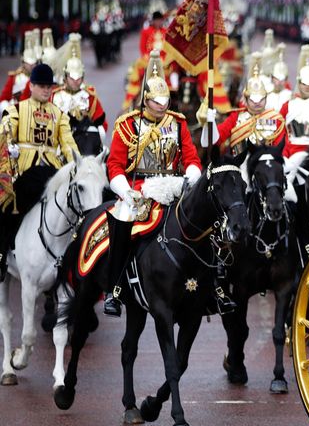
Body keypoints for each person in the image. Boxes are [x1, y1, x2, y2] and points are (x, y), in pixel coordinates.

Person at [103, 51, 205, 316]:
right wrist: (125, 192)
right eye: (157, 101)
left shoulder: (178, 123)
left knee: (201, 218)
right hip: (139, 191)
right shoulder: (127, 125)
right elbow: (114, 165)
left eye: (165, 101)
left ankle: (214, 287)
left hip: (173, 186)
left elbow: (192, 158)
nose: (162, 106)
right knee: (122, 220)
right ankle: (113, 289)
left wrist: (189, 178)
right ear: (145, 100)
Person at [0, 63, 78, 280]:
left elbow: (68, 144)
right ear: (31, 86)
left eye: (49, 86)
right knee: (6, 205)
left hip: (51, 171)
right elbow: (5, 130)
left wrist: (76, 167)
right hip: (24, 169)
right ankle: (1, 253)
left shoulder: (59, 115)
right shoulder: (17, 109)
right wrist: (8, 140)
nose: (46, 90)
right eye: (42, 86)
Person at [210, 62, 288, 157]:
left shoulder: (275, 119)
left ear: (266, 99)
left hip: (264, 164)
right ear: (246, 100)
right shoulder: (236, 117)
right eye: (253, 100)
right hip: (239, 164)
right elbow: (216, 139)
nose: (257, 103)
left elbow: (280, 147)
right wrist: (210, 123)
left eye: (261, 99)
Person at [52, 34, 108, 155]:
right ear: (65, 77)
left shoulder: (89, 95)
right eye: (72, 78)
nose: (76, 81)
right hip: (58, 140)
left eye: (79, 77)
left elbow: (102, 122)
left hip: (84, 140)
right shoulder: (55, 95)